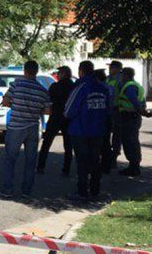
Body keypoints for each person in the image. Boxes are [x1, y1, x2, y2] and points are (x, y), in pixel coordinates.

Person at [0, 60, 51, 199]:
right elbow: (47, 111)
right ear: (36, 72)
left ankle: (8, 189)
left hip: (16, 127)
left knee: (10, 159)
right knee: (30, 160)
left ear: (25, 71)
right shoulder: (42, 90)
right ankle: (26, 191)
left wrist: (15, 105)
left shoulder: (16, 85)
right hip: (33, 127)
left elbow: (5, 102)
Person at [64, 61, 110, 201]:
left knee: (82, 162)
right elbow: (108, 110)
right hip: (98, 130)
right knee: (95, 160)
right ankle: (95, 190)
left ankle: (82, 191)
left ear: (81, 71)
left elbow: (68, 110)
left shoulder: (81, 87)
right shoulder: (103, 88)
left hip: (81, 130)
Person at [37, 66, 75, 175]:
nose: (57, 75)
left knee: (47, 143)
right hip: (68, 118)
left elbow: (48, 99)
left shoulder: (55, 86)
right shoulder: (73, 86)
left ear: (63, 74)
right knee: (68, 145)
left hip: (56, 117)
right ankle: (66, 169)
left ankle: (40, 166)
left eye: (59, 73)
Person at [116, 67, 152, 176]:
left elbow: (135, 102)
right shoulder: (136, 85)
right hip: (133, 117)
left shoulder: (129, 87)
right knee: (132, 141)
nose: (120, 77)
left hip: (129, 117)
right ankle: (133, 166)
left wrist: (143, 112)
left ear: (126, 75)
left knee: (130, 142)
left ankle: (134, 167)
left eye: (122, 75)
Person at [94, 69, 116, 174]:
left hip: (100, 118)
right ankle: (106, 166)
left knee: (98, 142)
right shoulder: (109, 88)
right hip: (108, 117)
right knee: (106, 142)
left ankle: (99, 165)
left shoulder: (98, 88)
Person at [106, 61, 124, 168]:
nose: (110, 69)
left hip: (117, 110)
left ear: (117, 68)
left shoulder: (121, 80)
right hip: (107, 110)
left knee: (117, 135)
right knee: (106, 134)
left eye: (112, 67)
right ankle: (108, 155)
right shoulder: (108, 78)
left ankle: (114, 157)